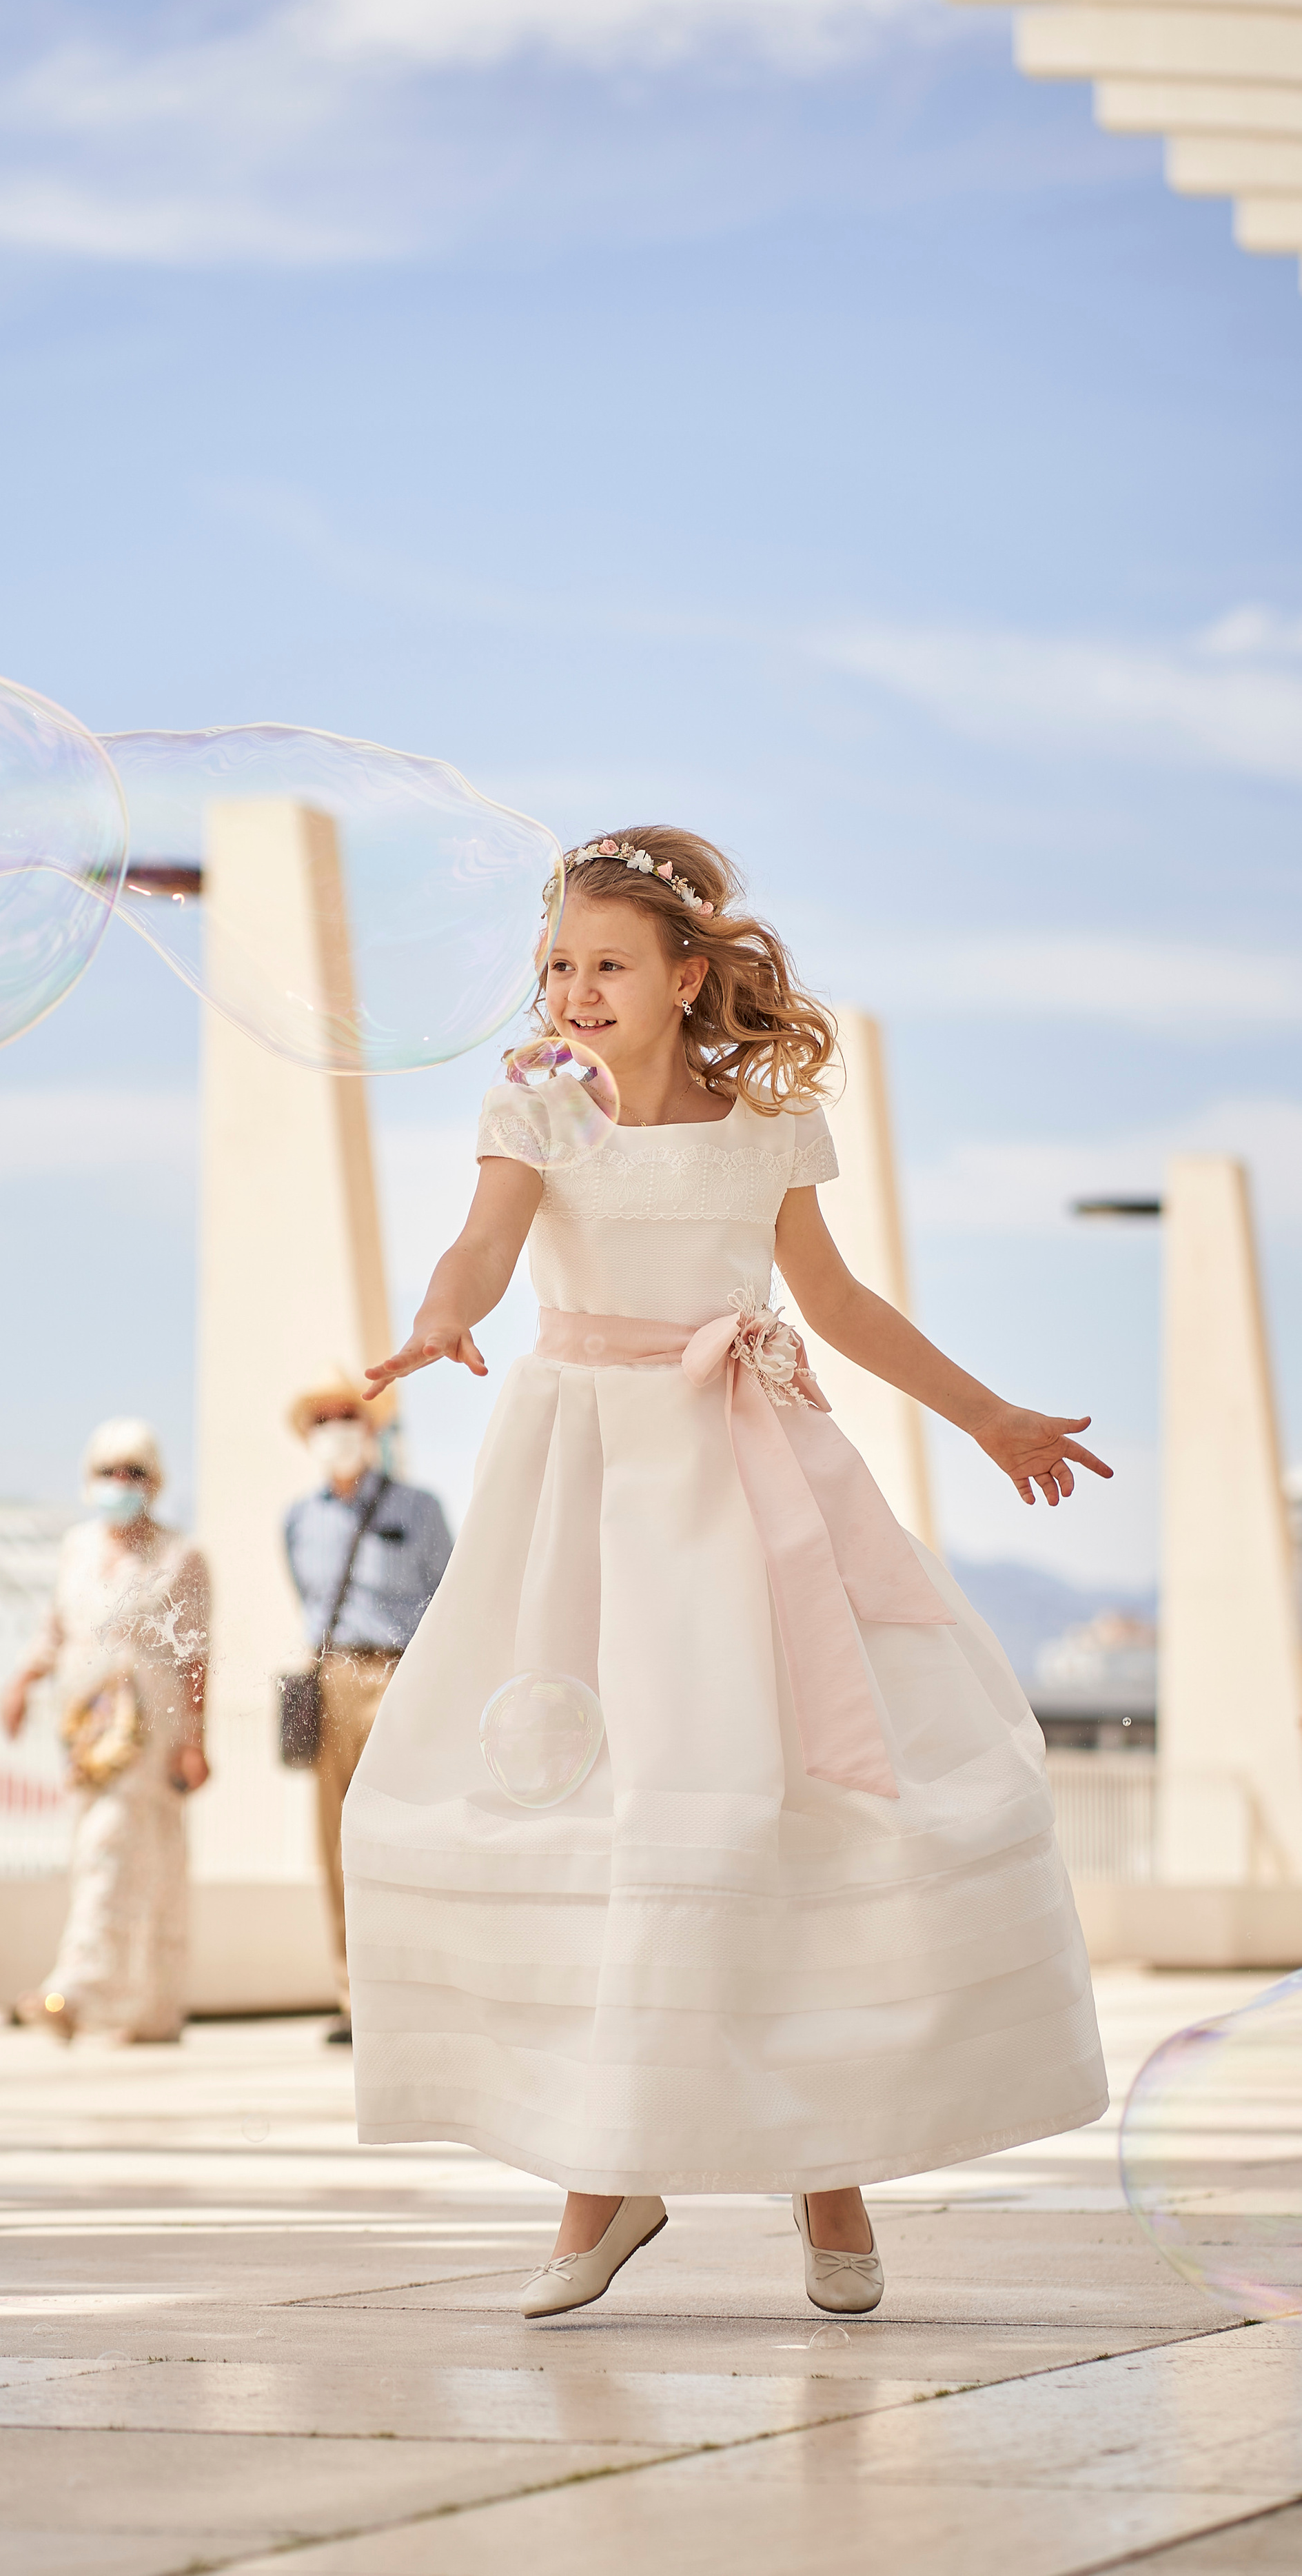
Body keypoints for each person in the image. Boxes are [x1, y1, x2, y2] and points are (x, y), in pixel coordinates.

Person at [345, 827, 1112, 2321]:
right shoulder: (530, 1110)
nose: (573, 988)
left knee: (799, 1801)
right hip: (587, 1493)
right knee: (610, 1802)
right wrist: (440, 1314)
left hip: (751, 1481)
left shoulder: (767, 1126)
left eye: (607, 962)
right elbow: (480, 1246)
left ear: (687, 972)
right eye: (555, 963)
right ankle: (607, 2167)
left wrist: (987, 1413)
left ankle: (829, 2166)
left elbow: (833, 1302)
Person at [2, 1417, 208, 2044]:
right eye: (109, 1471)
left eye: (135, 1472)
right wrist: (22, 1682)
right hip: (88, 1734)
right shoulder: (77, 1549)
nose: (122, 1482)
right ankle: (154, 2007)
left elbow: (197, 1656)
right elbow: (55, 1628)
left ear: (156, 1481)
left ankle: (76, 1991)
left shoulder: (182, 1557)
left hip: (154, 1730)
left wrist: (196, 1739)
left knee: (111, 1848)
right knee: (148, 1858)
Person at [284, 1369, 452, 2045]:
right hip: (329, 1679)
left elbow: (448, 1593)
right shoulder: (297, 1518)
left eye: (347, 1415)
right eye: (321, 1419)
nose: (336, 1430)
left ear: (373, 1427)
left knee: (404, 1835)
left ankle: (417, 1988)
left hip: (399, 1675)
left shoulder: (419, 1508)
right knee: (335, 1843)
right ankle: (355, 1997)